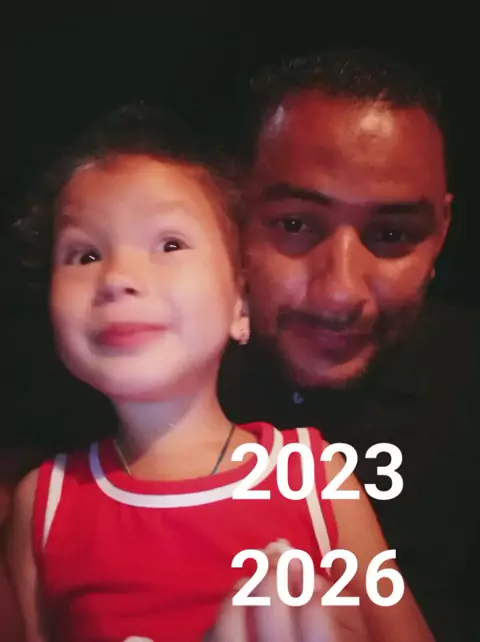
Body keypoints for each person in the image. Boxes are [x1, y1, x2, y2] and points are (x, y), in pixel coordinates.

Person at [5, 104, 432, 642]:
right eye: (84, 255)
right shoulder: (43, 505)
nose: (117, 277)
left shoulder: (316, 479)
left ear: (241, 304)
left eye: (169, 244)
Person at [218, 48, 480, 642]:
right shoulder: (140, 377)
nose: (340, 292)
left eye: (390, 234)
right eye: (294, 224)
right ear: (232, 212)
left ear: (441, 232)